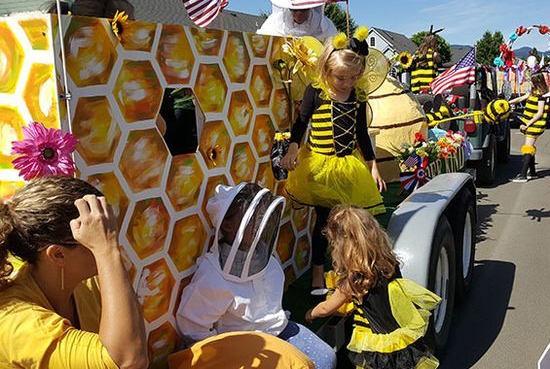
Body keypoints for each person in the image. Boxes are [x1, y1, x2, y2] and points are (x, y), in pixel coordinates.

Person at [175, 183, 336, 369]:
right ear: (227, 226)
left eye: (261, 215)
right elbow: (193, 328)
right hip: (242, 345)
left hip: (279, 330)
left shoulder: (265, 256)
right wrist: (227, 355)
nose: (260, 222)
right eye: (252, 218)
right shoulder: (212, 275)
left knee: (326, 358)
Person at [0, 176, 148, 368]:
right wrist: (106, 250)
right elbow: (129, 361)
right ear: (58, 255)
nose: (112, 241)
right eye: (98, 238)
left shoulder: (87, 283)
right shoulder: (18, 324)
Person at [281, 29, 386, 294]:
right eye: (341, 77)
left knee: (350, 223)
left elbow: (361, 134)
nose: (347, 83)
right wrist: (293, 149)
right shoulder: (315, 92)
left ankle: (348, 271)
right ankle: (318, 274)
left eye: (353, 77)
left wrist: (373, 166)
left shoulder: (357, 97)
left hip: (347, 166)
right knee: (324, 223)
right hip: (319, 167)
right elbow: (301, 123)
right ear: (326, 68)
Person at [305, 205, 441, 369]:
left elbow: (327, 308)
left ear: (341, 246)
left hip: (379, 347)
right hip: (400, 337)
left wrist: (311, 313)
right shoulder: (388, 263)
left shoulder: (353, 282)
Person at [507, 70, 549, 182]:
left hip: (535, 125)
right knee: (530, 147)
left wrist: (527, 124)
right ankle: (533, 172)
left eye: (531, 81)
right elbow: (521, 98)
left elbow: (539, 113)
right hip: (531, 124)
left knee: (527, 148)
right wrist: (508, 103)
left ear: (537, 82)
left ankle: (523, 175)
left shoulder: (541, 96)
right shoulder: (533, 93)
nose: (529, 82)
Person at [256, 0, 338, 43]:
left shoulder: (325, 25)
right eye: (295, 10)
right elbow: (261, 41)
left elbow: (335, 51)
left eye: (303, 10)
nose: (299, 14)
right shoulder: (274, 22)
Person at [410, 27, 442, 94]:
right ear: (432, 43)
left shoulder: (417, 53)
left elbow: (410, 62)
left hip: (416, 85)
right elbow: (439, 62)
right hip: (429, 86)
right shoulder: (434, 54)